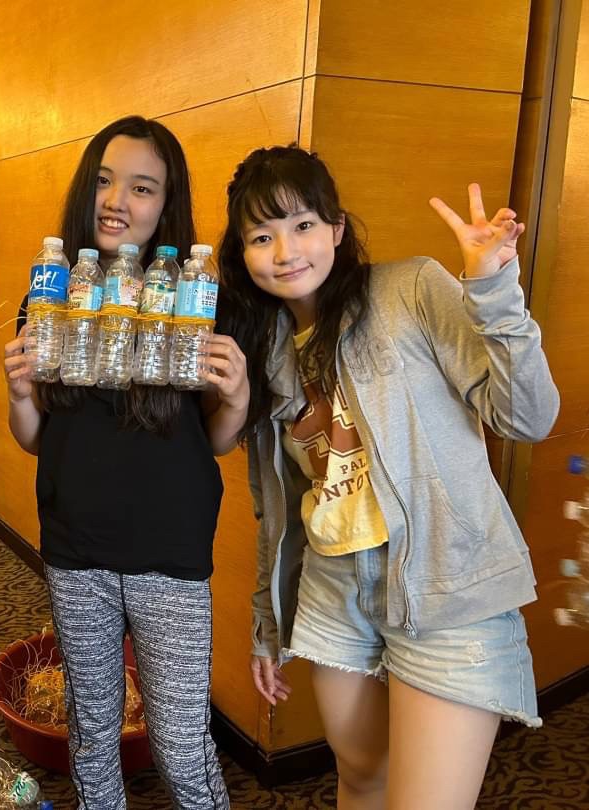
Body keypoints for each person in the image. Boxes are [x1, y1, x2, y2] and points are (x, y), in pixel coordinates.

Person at [220, 146, 560, 809]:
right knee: (361, 778)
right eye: (262, 236)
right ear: (243, 252)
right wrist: (267, 622)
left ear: (336, 228)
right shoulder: (265, 352)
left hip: (446, 586)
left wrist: (494, 290)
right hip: (333, 589)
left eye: (302, 225)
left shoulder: (410, 290)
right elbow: (279, 507)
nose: (285, 251)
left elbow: (526, 417)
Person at [3, 116, 248, 809]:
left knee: (180, 744)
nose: (117, 201)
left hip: (169, 550)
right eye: (105, 181)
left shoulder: (197, 295)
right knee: (91, 731)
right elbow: (34, 437)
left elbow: (218, 439)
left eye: (142, 188)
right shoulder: (53, 291)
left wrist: (237, 396)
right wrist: (18, 393)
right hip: (75, 544)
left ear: (166, 205)